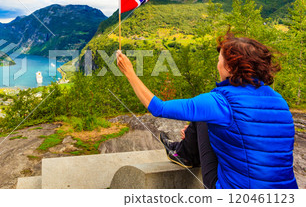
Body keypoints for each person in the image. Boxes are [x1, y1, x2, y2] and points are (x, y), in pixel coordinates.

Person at [116, 32, 298, 189]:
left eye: (219, 60)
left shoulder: (220, 101)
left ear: (230, 67)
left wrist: (129, 72)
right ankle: (185, 148)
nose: (217, 65)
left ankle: (182, 154)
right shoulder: (279, 101)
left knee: (203, 116)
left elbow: (158, 107)